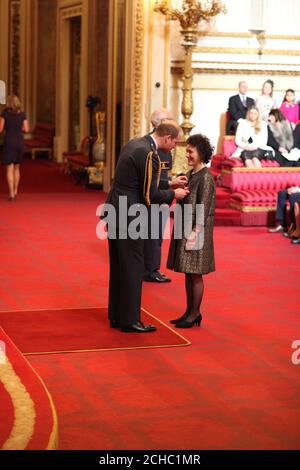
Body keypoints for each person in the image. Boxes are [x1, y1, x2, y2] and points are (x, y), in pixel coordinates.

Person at [104, 121, 189, 333]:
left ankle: (117, 315)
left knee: (119, 266)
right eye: (174, 143)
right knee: (133, 266)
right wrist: (173, 194)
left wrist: (169, 183)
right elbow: (149, 194)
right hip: (131, 214)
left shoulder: (136, 144)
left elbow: (142, 182)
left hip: (117, 208)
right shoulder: (149, 154)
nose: (173, 148)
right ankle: (131, 320)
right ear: (167, 137)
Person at [167, 134, 216, 329]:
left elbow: (203, 208)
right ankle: (189, 312)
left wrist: (196, 232)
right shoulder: (191, 174)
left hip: (197, 229)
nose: (187, 154)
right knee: (189, 272)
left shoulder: (206, 177)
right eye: (187, 151)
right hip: (186, 225)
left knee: (195, 273)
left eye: (190, 151)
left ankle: (195, 313)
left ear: (201, 153)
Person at [144, 108, 187, 283]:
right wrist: (169, 191)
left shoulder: (163, 145)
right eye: (167, 119)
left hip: (162, 191)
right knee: (153, 235)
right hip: (156, 195)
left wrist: (171, 182)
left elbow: (164, 172)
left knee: (156, 235)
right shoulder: (155, 146)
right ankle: (151, 270)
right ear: (157, 123)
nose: (171, 121)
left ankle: (151, 268)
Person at [0, 94, 29, 200]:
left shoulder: (4, 114)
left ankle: (11, 193)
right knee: (17, 168)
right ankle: (16, 190)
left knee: (9, 169)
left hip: (9, 141)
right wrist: (18, 128)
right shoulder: (22, 114)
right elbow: (26, 129)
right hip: (19, 142)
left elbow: (0, 129)